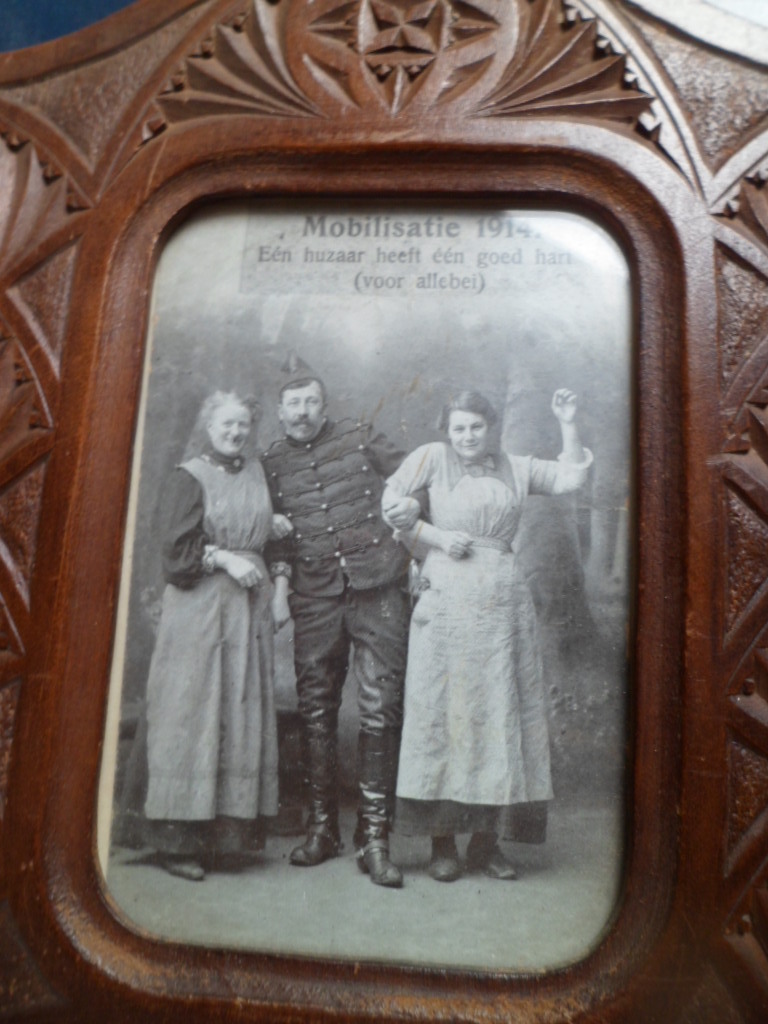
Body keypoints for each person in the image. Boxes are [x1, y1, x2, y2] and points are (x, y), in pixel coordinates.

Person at [381, 388, 592, 882]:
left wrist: (567, 422)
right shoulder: (432, 458)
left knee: (498, 714)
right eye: (458, 427)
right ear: (447, 430)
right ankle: (442, 844)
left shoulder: (516, 466)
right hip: (447, 600)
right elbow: (392, 506)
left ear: (491, 427)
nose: (467, 436)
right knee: (444, 713)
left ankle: (485, 843)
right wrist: (437, 537)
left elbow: (571, 477)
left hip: (502, 605)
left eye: (476, 426)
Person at [264, 356, 419, 888]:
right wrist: (279, 580)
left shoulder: (358, 436)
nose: (302, 412)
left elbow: (416, 477)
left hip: (378, 584)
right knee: (316, 707)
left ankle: (374, 838)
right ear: (279, 410)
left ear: (324, 405)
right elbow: (273, 537)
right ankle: (322, 829)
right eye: (293, 403)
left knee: (381, 705)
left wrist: (412, 529)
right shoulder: (270, 463)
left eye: (311, 401)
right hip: (314, 595)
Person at [143, 391, 284, 880]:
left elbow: (260, 529)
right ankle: (176, 842)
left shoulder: (258, 471)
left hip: (248, 609)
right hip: (199, 608)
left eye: (243, 424)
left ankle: (225, 840)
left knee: (237, 711)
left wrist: (270, 530)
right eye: (227, 424)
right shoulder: (189, 476)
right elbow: (176, 552)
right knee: (192, 711)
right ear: (208, 427)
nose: (236, 432)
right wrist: (224, 558)